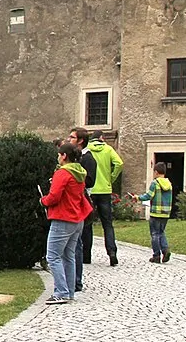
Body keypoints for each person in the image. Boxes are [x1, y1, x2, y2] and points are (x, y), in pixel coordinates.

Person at [39, 144, 92, 305]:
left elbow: (54, 197)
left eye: (59, 155)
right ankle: (69, 291)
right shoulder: (79, 173)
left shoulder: (62, 173)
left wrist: (43, 200)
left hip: (63, 218)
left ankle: (60, 292)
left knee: (53, 256)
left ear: (63, 156)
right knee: (69, 256)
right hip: (77, 218)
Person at [64, 128, 100, 286]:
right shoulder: (77, 157)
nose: (69, 139)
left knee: (76, 243)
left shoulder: (88, 158)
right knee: (73, 243)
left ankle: (76, 280)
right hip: (74, 200)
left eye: (72, 137)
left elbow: (90, 180)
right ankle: (72, 279)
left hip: (80, 200)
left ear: (80, 141)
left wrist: (73, 181)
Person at [83, 131, 124, 266]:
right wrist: (111, 178)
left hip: (91, 189)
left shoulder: (87, 151)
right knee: (107, 223)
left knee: (88, 223)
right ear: (102, 138)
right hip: (105, 190)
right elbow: (119, 163)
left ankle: (86, 255)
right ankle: (112, 252)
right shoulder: (108, 149)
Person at [144, 161, 175, 263]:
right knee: (161, 232)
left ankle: (156, 255)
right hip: (165, 213)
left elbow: (148, 196)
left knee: (155, 234)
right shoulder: (169, 184)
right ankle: (165, 250)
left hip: (155, 212)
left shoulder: (155, 183)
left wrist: (137, 197)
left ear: (156, 172)